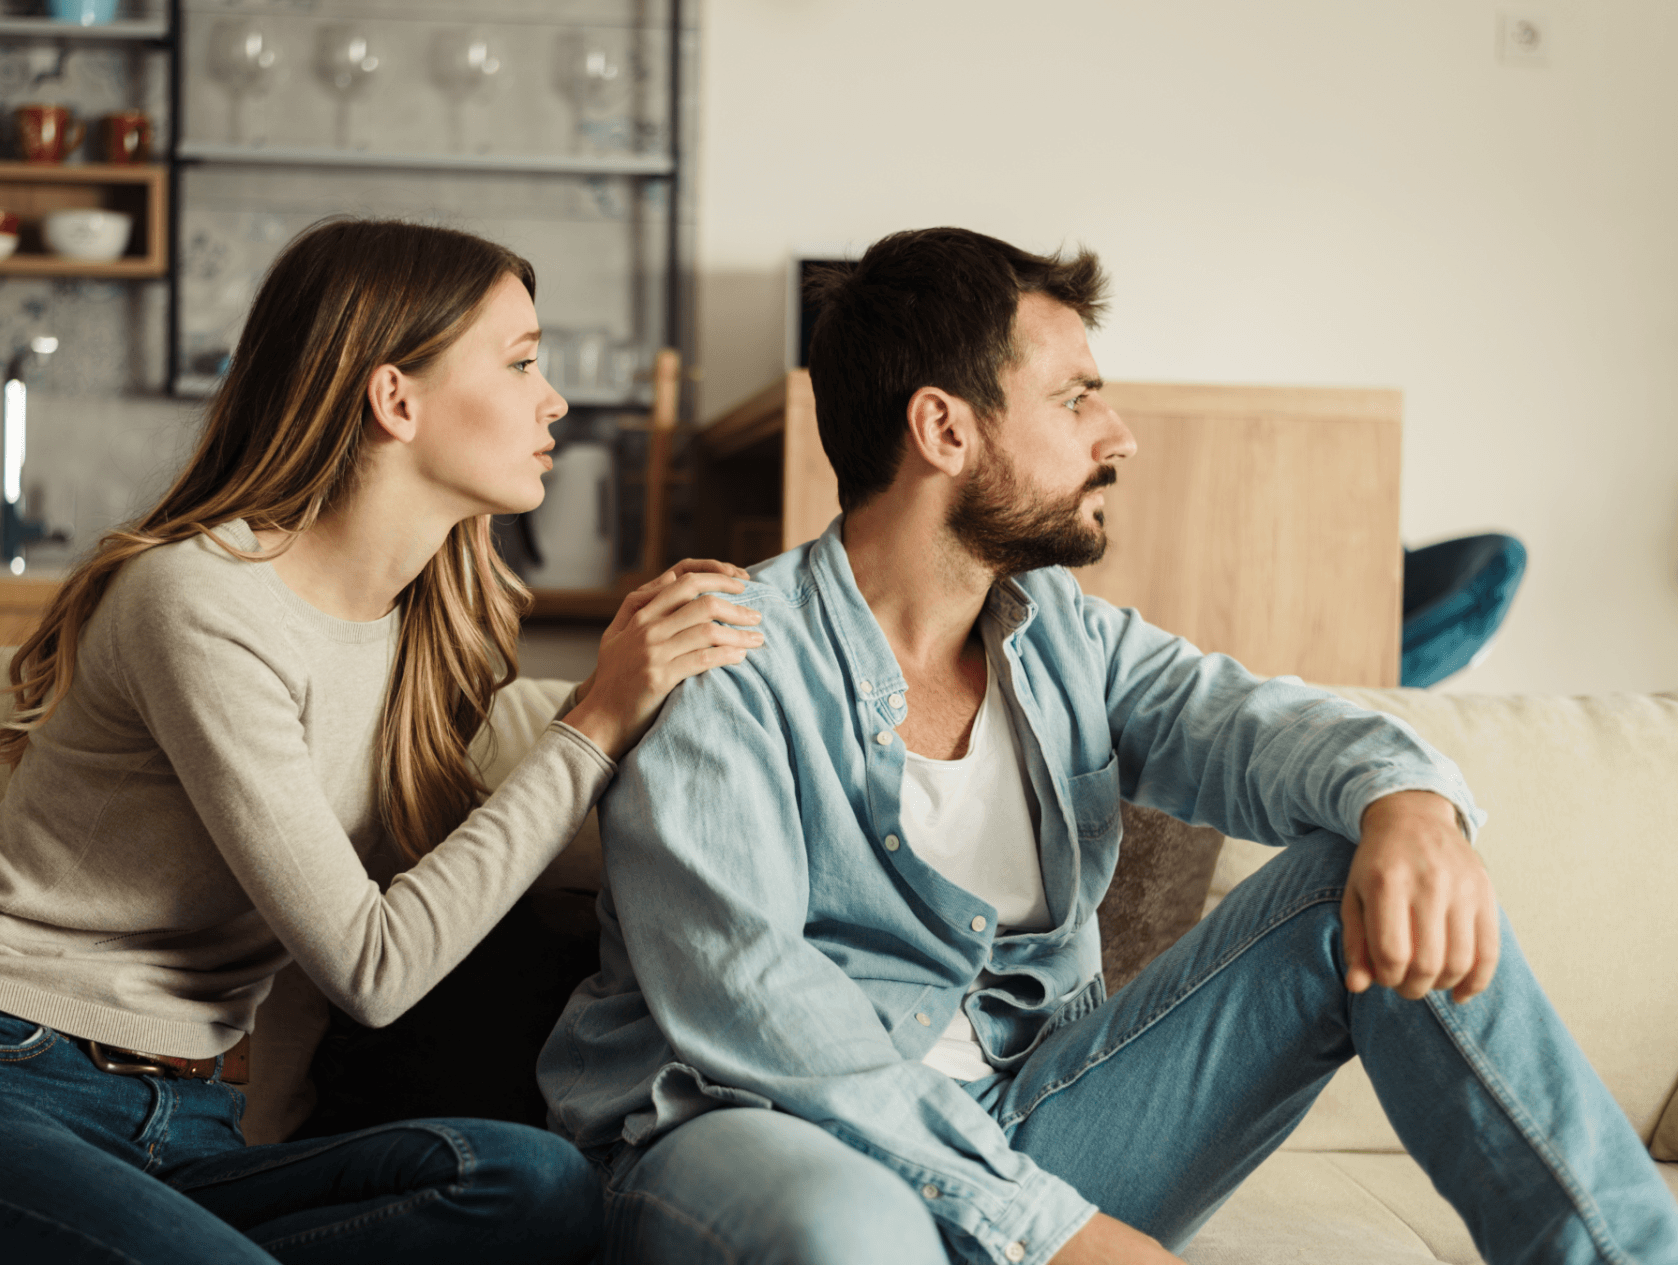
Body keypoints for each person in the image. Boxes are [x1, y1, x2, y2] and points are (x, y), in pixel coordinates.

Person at [536, 226, 1678, 1264]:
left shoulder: (1063, 635)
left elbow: (1248, 722)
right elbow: (752, 1007)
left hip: (1037, 1129)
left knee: (1363, 875)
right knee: (855, 1234)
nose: (1117, 435)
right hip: (764, 1134)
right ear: (944, 428)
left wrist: (1408, 802)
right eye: (1076, 397)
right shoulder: (724, 654)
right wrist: (1059, 1234)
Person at [0, 218, 765, 1265]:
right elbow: (374, 965)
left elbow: (446, 897)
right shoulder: (199, 599)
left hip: (183, 1130)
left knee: (534, 1183)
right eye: (523, 362)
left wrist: (647, 697)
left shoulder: (418, 635)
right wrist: (594, 723)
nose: (556, 401)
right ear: (396, 399)